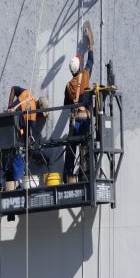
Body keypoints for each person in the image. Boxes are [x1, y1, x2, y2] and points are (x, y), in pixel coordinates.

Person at [0, 87, 50, 187]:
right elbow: (30, 136)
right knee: (18, 161)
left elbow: (13, 89)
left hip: (4, 127)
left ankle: (2, 185)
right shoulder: (33, 115)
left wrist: (10, 106)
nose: (42, 115)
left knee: (5, 161)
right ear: (38, 106)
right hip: (14, 135)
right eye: (42, 113)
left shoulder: (27, 94)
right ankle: (17, 186)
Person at [63, 25, 94, 181]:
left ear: (71, 71)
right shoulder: (86, 75)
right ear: (80, 67)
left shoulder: (68, 86)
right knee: (85, 145)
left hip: (75, 119)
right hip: (86, 118)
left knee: (71, 146)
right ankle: (85, 174)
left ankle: (68, 175)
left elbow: (66, 105)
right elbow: (91, 61)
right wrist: (90, 44)